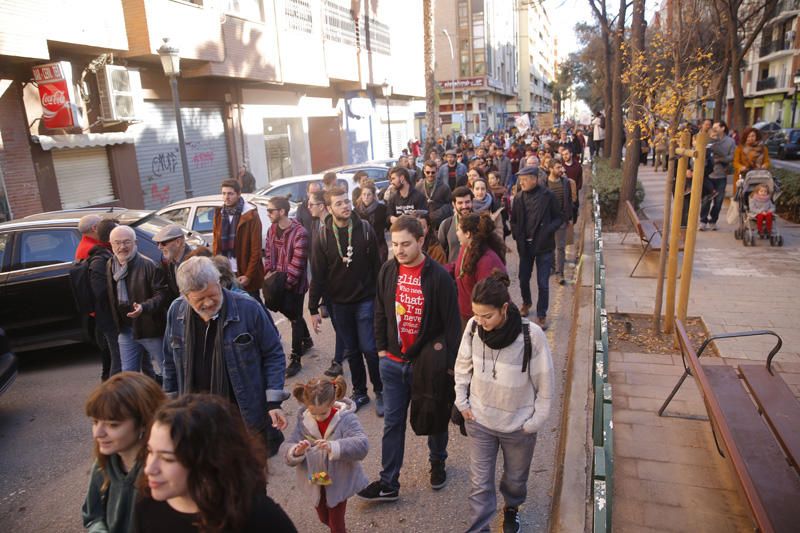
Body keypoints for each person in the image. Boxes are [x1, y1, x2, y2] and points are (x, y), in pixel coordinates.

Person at [359, 215, 460, 502]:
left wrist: (450, 367)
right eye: (394, 244)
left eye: (405, 244)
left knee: (435, 413)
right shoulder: (388, 270)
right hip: (392, 362)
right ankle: (389, 482)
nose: (399, 250)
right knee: (392, 423)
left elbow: (452, 326)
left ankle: (437, 462)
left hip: (427, 365)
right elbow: (380, 311)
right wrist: (380, 350)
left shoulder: (439, 277)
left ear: (420, 241)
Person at [454, 273, 554, 533]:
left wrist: (535, 422)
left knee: (515, 479)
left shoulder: (530, 336)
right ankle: (479, 528)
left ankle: (511, 507)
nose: (481, 321)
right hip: (480, 421)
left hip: (518, 426)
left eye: (487, 316)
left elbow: (545, 384)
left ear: (504, 309)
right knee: (479, 483)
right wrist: (462, 402)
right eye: (476, 314)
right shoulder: (473, 328)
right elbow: (462, 366)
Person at [162, 256, 289, 457]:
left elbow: (273, 353)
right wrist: (169, 407)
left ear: (219, 283)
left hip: (243, 416)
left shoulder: (248, 308)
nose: (208, 302)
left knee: (250, 478)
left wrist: (273, 402)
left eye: (212, 294)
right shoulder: (175, 312)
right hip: (196, 417)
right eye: (199, 299)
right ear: (185, 296)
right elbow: (170, 361)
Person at [137, 394, 297, 532]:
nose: (149, 469)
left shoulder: (261, 519)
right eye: (150, 451)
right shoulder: (147, 507)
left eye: (168, 459)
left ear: (209, 461)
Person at [308, 187, 384, 414]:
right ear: (329, 208)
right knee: (351, 350)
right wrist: (313, 308)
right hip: (338, 303)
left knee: (370, 348)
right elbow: (318, 275)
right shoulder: (322, 236)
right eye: (339, 203)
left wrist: (381, 300)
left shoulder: (365, 229)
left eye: (346, 201)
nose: (345, 206)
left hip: (365, 299)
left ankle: (380, 391)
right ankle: (360, 392)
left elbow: (377, 268)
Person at [282, 377, 369, 533]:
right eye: (313, 413)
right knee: (323, 517)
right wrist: (296, 450)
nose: (318, 417)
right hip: (318, 477)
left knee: (336, 524)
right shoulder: (303, 420)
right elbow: (287, 446)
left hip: (339, 479)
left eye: (323, 413)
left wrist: (334, 446)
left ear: (332, 402)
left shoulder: (346, 419)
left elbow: (362, 444)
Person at [83, 372, 166, 533]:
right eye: (95, 422)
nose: (98, 433)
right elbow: (93, 516)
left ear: (144, 423)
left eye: (113, 425)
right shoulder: (104, 464)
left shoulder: (160, 471)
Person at [107, 225, 168, 379]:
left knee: (167, 369)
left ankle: (172, 400)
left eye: (127, 242)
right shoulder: (110, 265)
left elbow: (162, 295)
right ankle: (136, 403)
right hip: (125, 328)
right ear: (110, 244)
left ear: (135, 242)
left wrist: (143, 307)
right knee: (128, 375)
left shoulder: (150, 265)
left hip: (149, 327)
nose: (122, 247)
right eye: (117, 243)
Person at [264, 195, 312, 378]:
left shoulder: (300, 233)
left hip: (294, 285)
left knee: (295, 318)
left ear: (282, 212)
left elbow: (298, 264)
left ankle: (295, 358)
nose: (268, 213)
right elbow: (268, 254)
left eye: (271, 210)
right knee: (293, 314)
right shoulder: (271, 230)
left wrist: (284, 285)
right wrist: (269, 274)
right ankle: (306, 339)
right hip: (277, 283)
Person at [510, 166, 563, 330]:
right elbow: (514, 221)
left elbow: (559, 217)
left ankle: (541, 314)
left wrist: (548, 230)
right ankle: (526, 302)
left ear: (534, 179)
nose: (522, 182)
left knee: (543, 283)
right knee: (523, 278)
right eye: (520, 179)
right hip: (525, 246)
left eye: (525, 179)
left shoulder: (548, 196)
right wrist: (517, 235)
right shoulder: (518, 198)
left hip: (544, 246)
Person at [448, 212, 507, 329]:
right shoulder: (466, 248)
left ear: (468, 234)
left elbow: (491, 296)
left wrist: (482, 320)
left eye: (458, 230)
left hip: (481, 320)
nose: (457, 233)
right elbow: (459, 267)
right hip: (466, 315)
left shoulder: (488, 261)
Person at [212, 179, 264, 298]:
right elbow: (216, 245)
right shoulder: (219, 213)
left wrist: (248, 276)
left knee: (253, 308)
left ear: (239, 194)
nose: (226, 197)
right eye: (224, 193)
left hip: (245, 274)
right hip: (226, 273)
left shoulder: (251, 215)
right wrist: (217, 270)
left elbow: (256, 250)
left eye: (230, 193)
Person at [85, 218, 122, 380]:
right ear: (110, 238)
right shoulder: (100, 259)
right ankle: (112, 393)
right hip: (109, 318)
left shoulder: (107, 254)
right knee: (118, 357)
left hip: (112, 316)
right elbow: (100, 291)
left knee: (123, 355)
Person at [700, 121, 736, 231]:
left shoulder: (730, 141)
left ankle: (713, 220)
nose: (713, 129)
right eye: (713, 127)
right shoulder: (707, 140)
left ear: (723, 128)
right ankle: (703, 221)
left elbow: (731, 157)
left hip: (721, 175)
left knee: (719, 201)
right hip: (708, 175)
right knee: (706, 199)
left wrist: (719, 159)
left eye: (716, 127)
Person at [545, 159, 575, 284]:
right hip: (547, 220)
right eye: (558, 167)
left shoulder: (565, 182)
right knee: (549, 246)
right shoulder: (544, 183)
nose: (561, 169)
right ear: (551, 169)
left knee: (560, 247)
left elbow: (569, 200)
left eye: (561, 167)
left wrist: (569, 217)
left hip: (561, 219)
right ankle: (552, 267)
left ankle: (560, 273)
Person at [153, 224, 191, 303]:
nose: (159, 247)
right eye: (158, 243)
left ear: (178, 242)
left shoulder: (193, 264)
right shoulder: (170, 261)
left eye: (163, 243)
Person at [354, 180, 389, 263]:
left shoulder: (381, 209)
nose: (366, 197)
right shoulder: (356, 211)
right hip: (362, 247)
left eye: (369, 194)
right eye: (364, 194)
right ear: (361, 196)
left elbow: (388, 225)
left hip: (379, 246)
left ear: (373, 196)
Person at [438, 186, 474, 263]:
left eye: (467, 202)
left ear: (472, 202)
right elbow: (440, 253)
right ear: (453, 204)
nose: (464, 206)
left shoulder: (480, 223)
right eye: (460, 203)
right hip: (452, 272)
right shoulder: (446, 225)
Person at [733, 127, 771, 195]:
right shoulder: (740, 148)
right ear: (745, 137)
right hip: (743, 176)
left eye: (753, 136)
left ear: (756, 136)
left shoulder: (763, 148)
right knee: (741, 197)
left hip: (758, 176)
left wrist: (765, 165)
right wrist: (741, 167)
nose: (751, 138)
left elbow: (767, 161)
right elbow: (735, 162)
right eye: (748, 136)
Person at [416, 159, 452, 229]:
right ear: (424, 171)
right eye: (428, 172)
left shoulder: (444, 186)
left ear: (437, 171)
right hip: (424, 223)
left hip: (440, 222)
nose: (430, 175)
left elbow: (449, 205)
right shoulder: (418, 186)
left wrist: (437, 214)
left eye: (433, 172)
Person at [470, 177, 506, 247]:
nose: (480, 192)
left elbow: (499, 230)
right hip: (473, 246)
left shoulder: (494, 206)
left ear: (486, 190)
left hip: (491, 246)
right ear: (473, 190)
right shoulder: (468, 206)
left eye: (483, 189)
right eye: (477, 189)